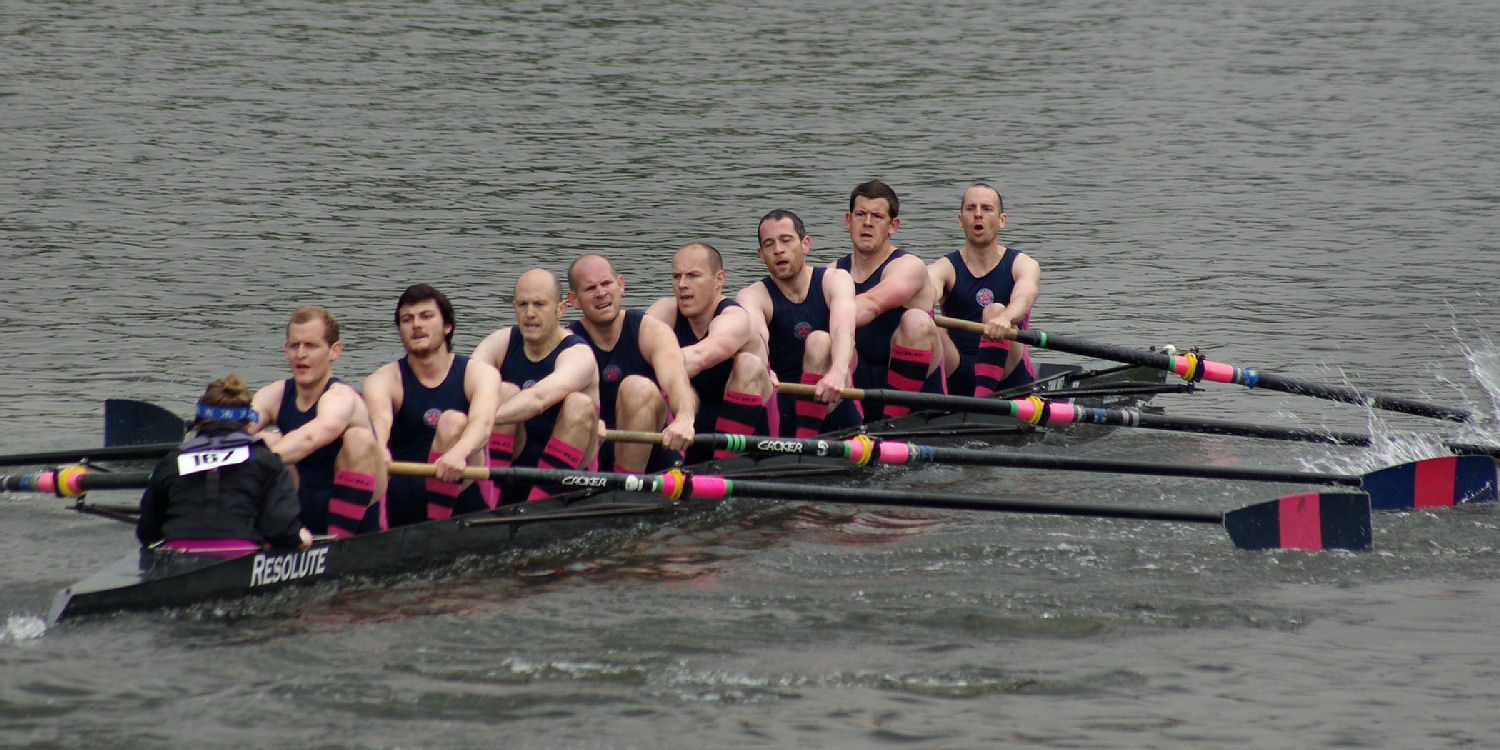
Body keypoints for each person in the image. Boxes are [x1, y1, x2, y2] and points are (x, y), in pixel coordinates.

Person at [363, 284, 501, 526]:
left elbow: (483, 423)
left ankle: (437, 526)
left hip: (462, 486)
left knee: (453, 421)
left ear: (447, 327)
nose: (416, 324)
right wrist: (379, 446)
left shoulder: (478, 373)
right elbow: (379, 419)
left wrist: (458, 454)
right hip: (405, 492)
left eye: (426, 316)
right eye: (407, 319)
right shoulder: (383, 379)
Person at [249, 306, 385, 539]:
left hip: (355, 521)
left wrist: (255, 456)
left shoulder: (341, 397)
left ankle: (339, 544)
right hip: (300, 509)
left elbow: (314, 435)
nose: (300, 354)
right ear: (286, 350)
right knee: (263, 439)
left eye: (311, 346)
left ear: (334, 351)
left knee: (358, 439)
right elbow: (234, 432)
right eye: (294, 346)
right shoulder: (274, 394)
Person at [137, 374, 313, 554]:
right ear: (248, 423)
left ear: (198, 421)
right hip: (240, 557)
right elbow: (280, 529)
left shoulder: (172, 461)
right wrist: (297, 538)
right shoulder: (266, 460)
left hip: (175, 556)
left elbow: (147, 532)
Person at [472, 268, 601, 502]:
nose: (530, 313)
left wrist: (482, 419)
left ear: (560, 309)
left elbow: (538, 399)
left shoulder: (578, 354)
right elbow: (464, 385)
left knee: (578, 403)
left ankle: (539, 503)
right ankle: (487, 501)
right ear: (514, 308)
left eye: (539, 304)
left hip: (572, 465)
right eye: (523, 304)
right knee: (501, 391)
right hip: (517, 452)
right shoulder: (499, 342)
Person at [645, 242, 777, 463]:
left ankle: (723, 464)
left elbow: (699, 357)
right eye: (676, 277)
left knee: (748, 364)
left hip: (751, 443)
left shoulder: (735, 319)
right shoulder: (666, 311)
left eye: (693, 276)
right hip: (685, 433)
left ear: (719, 280)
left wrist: (658, 362)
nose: (682, 285)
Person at [736, 209, 861, 438]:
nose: (778, 250)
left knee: (819, 340)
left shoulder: (835, 280)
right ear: (761, 255)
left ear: (805, 244)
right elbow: (758, 340)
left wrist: (837, 371)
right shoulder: (752, 296)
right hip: (781, 401)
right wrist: (765, 369)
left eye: (786, 240)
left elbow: (843, 330)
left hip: (833, 394)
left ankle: (806, 440)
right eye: (769, 244)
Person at [567, 253, 696, 473]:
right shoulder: (568, 343)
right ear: (574, 300)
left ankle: (627, 487)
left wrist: (685, 417)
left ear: (620, 285)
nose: (601, 293)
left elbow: (676, 380)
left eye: (607, 283)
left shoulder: (651, 331)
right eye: (590, 289)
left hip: (652, 453)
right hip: (593, 449)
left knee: (637, 387)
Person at [833, 180, 944, 420]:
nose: (867, 223)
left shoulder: (909, 266)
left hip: (916, 398)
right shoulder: (833, 272)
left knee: (916, 321)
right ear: (848, 221)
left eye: (877, 217)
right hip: (858, 381)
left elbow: (872, 303)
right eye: (860, 214)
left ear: (893, 226)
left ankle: (892, 422)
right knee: (818, 341)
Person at [929, 183, 1040, 396]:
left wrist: (1005, 318)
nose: (978, 214)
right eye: (971, 209)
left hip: (1010, 375)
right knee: (927, 325)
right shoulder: (944, 267)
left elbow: (1024, 298)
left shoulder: (1023, 264)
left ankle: (983, 398)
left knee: (995, 310)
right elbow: (927, 289)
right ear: (961, 221)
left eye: (986, 209)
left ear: (1001, 220)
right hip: (960, 369)